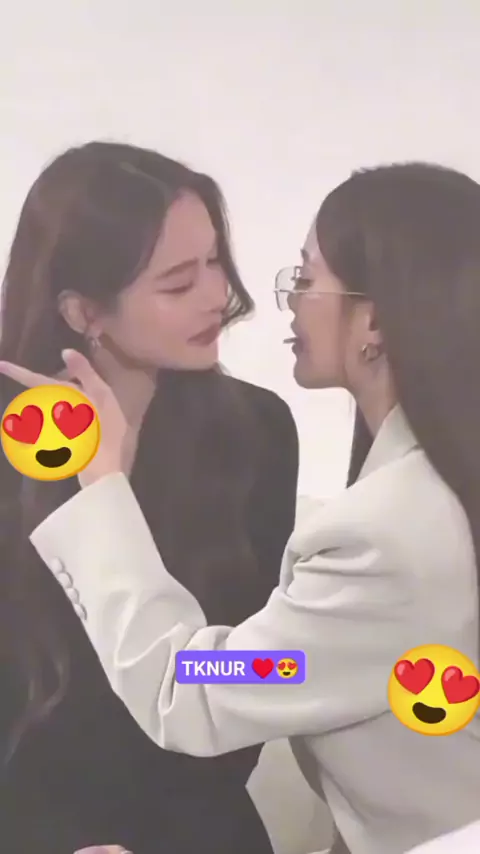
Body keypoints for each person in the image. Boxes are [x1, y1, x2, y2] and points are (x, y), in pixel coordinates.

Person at [5, 161, 480, 854]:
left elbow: (217, 679)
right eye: (179, 281)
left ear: (374, 319)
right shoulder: (413, 492)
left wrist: (104, 488)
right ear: (82, 311)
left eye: (307, 279)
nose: (231, 297)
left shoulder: (381, 530)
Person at [0, 142, 299, 854]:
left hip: (197, 821)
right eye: (178, 283)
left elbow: (252, 668)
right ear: (83, 312)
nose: (217, 296)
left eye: (215, 262)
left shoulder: (256, 430)